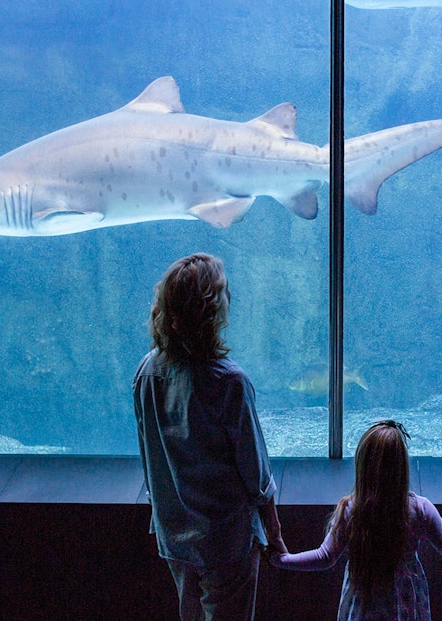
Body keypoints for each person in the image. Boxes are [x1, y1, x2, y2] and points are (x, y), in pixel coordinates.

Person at [133, 253, 286, 621]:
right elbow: (256, 475)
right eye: (224, 292)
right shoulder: (229, 382)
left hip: (174, 535)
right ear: (211, 310)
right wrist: (275, 532)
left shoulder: (146, 372)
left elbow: (148, 453)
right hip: (226, 540)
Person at [270, 420, 442, 620]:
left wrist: (282, 559)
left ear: (362, 465)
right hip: (404, 603)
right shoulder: (419, 509)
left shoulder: (351, 510)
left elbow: (324, 557)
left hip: (363, 605)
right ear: (402, 466)